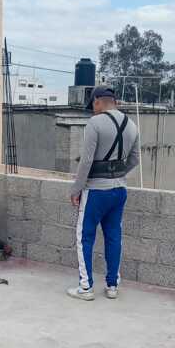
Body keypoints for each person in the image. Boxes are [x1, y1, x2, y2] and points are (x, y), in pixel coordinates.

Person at [68, 86, 139, 301]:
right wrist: (116, 175)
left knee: (84, 237)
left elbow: (87, 160)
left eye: (93, 106)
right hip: (119, 190)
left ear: (98, 101)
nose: (93, 110)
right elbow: (134, 159)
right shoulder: (132, 125)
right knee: (113, 236)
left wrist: (76, 188)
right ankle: (112, 285)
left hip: (96, 191)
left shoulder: (94, 123)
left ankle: (85, 287)